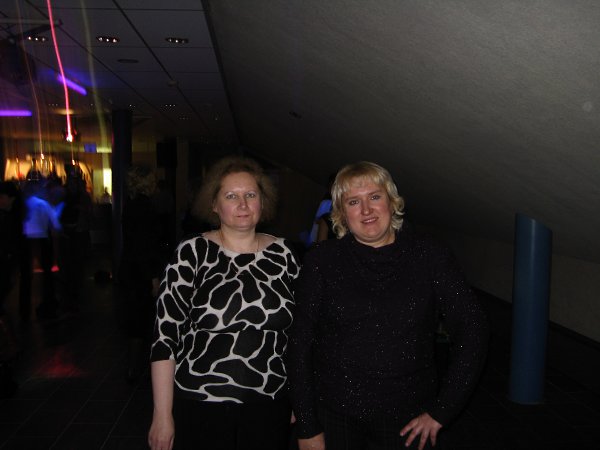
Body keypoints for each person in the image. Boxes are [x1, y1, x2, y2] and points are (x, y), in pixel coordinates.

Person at [288, 161, 489, 450]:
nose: (366, 210)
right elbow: (300, 341)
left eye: (375, 196)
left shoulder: (429, 254)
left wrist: (444, 409)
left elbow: (472, 327)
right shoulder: (322, 260)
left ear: (392, 202)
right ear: (341, 213)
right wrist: (306, 422)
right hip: (334, 413)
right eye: (353, 202)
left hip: (408, 418)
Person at [148, 156, 300, 450]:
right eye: (231, 196)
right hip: (201, 404)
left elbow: (298, 336)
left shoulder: (284, 254)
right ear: (214, 204)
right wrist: (162, 414)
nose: (243, 204)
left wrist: (299, 398)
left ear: (263, 201)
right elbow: (164, 339)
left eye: (250, 195)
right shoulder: (192, 253)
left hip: (270, 404)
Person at [118, 166, 163, 381]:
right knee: (141, 318)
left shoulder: (131, 205)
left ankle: (133, 366)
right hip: (141, 271)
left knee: (135, 317)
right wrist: (153, 277)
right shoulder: (145, 207)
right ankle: (135, 368)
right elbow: (145, 246)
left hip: (130, 268)